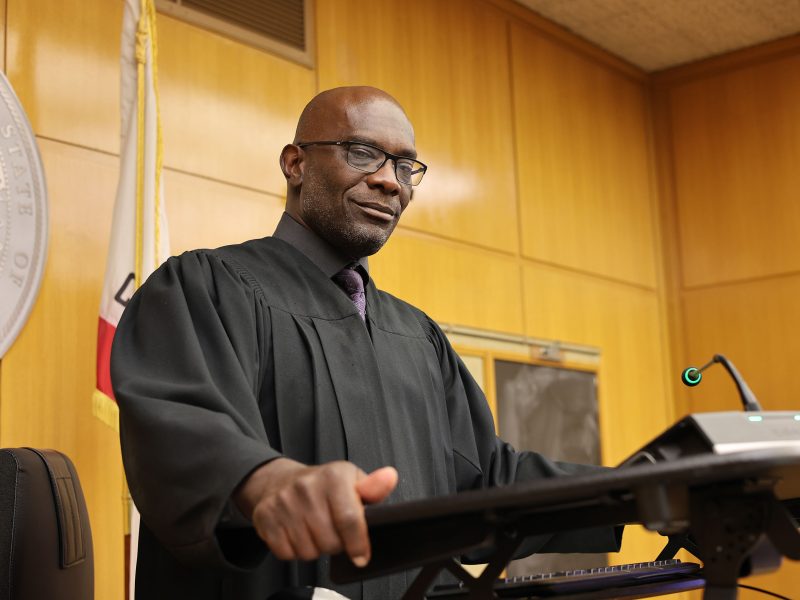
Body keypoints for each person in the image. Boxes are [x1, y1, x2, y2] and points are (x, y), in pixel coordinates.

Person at [111, 86, 621, 600]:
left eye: (405, 167)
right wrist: (263, 481)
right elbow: (180, 428)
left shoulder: (416, 334)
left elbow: (485, 480)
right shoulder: (207, 288)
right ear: (295, 164)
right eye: (363, 153)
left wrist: (635, 492)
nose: (388, 181)